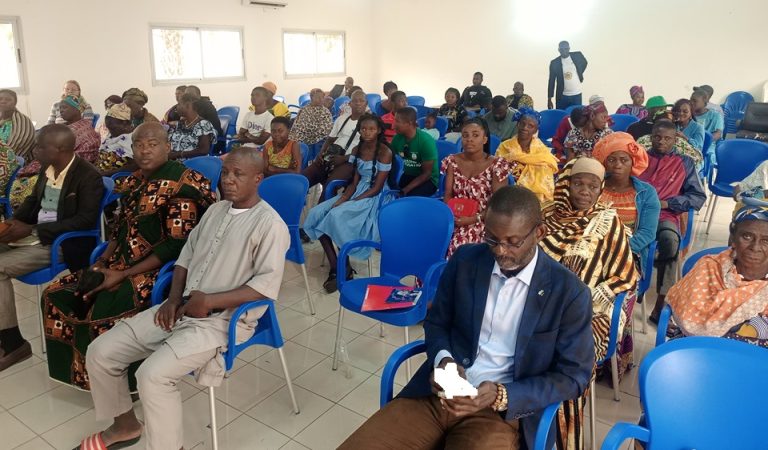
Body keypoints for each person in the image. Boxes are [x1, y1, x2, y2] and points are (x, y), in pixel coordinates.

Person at [339, 186, 594, 450]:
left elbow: (574, 376)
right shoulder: (466, 260)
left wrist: (501, 394)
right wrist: (443, 360)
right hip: (437, 397)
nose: (500, 251)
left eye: (513, 242)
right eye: (492, 238)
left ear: (539, 233)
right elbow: (437, 322)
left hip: (497, 414)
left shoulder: (568, 293)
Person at [75, 147, 288, 450]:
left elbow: (265, 288)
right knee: (101, 351)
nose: (228, 179)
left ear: (258, 179)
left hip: (220, 321)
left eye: (238, 174)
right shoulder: (215, 210)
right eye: (225, 172)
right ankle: (125, 426)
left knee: (152, 376)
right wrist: (174, 299)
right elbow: (185, 258)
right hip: (180, 308)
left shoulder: (270, 225)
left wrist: (209, 301)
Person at [42, 122, 215, 391]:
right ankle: (80, 374)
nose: (145, 151)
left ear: (168, 147)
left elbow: (175, 248)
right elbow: (119, 230)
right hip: (119, 263)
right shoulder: (135, 181)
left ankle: (120, 384)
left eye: (153, 144)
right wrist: (101, 263)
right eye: (139, 145)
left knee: (104, 306)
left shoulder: (181, 186)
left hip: (156, 271)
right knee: (57, 293)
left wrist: (122, 274)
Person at [540, 157, 639, 449]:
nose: (585, 191)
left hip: (591, 313)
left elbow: (625, 275)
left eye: (592, 186)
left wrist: (583, 300)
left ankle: (565, 439)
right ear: (566, 184)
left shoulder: (608, 223)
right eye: (578, 184)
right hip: (538, 304)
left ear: (600, 189)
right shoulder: (545, 216)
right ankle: (525, 425)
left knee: (566, 361)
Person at [0, 125, 104, 372]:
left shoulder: (88, 176)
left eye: (40, 146)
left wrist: (33, 230)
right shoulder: (47, 169)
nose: (35, 150)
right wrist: (12, 224)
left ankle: (13, 344)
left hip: (62, 243)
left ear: (61, 149)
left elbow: (85, 221)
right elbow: (33, 202)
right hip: (36, 236)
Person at [593, 133, 660, 377]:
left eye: (624, 159)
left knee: (611, 300)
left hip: (628, 258)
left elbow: (647, 234)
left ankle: (611, 360)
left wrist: (615, 252)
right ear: (604, 162)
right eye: (612, 160)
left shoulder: (646, 193)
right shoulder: (595, 186)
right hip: (593, 254)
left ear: (634, 162)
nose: (618, 165)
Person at [304, 114, 393, 292]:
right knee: (316, 214)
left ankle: (339, 270)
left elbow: (377, 188)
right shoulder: (357, 149)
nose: (367, 132)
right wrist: (344, 198)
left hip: (373, 196)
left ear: (378, 130)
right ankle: (339, 266)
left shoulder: (385, 152)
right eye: (363, 128)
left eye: (371, 129)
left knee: (335, 216)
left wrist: (351, 202)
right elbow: (354, 181)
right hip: (357, 190)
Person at [666, 206, 768, 348]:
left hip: (754, 357)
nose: (755, 247)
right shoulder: (709, 266)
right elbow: (688, 320)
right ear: (733, 239)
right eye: (747, 236)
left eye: (766, 241)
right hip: (695, 348)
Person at [638, 119, 706, 324]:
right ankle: (629, 290)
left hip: (664, 215)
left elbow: (697, 197)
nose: (661, 142)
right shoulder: (640, 158)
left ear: (675, 140)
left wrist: (668, 203)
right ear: (651, 137)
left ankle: (661, 301)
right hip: (635, 214)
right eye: (657, 137)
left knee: (670, 240)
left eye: (667, 138)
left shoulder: (685, 162)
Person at [443, 117, 510, 256]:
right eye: (465, 135)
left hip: (484, 219)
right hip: (455, 217)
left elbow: (499, 204)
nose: (469, 139)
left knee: (460, 246)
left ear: (484, 139)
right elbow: (448, 194)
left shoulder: (496, 165)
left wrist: (474, 219)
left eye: (475, 135)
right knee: (428, 239)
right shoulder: (452, 161)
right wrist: (449, 216)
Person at [302, 90, 367, 189]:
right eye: (355, 101)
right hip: (332, 155)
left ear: (366, 103)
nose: (358, 103)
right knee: (302, 179)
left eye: (361, 101)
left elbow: (367, 150)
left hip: (350, 161)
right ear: (350, 103)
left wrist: (344, 158)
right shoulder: (342, 119)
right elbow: (329, 140)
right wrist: (321, 153)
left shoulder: (369, 123)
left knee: (329, 186)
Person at [496, 108, 559, 202]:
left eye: (530, 126)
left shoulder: (542, 152)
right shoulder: (505, 146)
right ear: (517, 124)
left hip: (538, 196)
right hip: (510, 190)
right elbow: (498, 169)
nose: (525, 127)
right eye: (522, 123)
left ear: (535, 130)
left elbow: (548, 171)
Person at [391, 107, 439, 197]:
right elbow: (391, 160)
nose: (393, 125)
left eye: (397, 121)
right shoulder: (397, 139)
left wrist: (405, 190)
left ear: (409, 123)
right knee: (391, 194)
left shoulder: (426, 141)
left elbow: (427, 174)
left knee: (409, 198)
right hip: (408, 174)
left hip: (428, 180)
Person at [167, 93, 217, 160]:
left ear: (187, 105)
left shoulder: (203, 125)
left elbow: (203, 150)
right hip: (172, 161)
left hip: (191, 163)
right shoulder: (179, 124)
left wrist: (178, 154)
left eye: (179, 104)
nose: (176, 107)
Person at [95, 103, 137, 175]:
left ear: (124, 123)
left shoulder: (131, 139)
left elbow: (134, 166)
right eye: (109, 128)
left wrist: (106, 174)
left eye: (113, 128)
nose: (111, 132)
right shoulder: (114, 134)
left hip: (115, 178)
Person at [59, 95, 101, 163]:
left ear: (77, 109)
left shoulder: (83, 128)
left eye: (64, 107)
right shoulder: (64, 127)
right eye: (60, 108)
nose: (61, 110)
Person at [548, 41, 588, 110]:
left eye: (566, 49)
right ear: (559, 50)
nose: (564, 51)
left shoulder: (578, 55)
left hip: (576, 95)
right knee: (562, 115)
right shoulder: (554, 63)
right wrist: (549, 98)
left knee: (577, 115)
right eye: (561, 49)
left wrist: (579, 73)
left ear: (569, 48)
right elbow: (551, 81)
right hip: (562, 96)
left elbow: (585, 63)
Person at [0, 89, 35, 160]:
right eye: (0, 99)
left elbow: (16, 146)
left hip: (16, 162)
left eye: (8, 99)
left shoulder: (23, 121)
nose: (3, 101)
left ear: (15, 103)